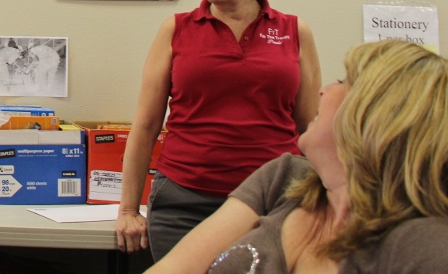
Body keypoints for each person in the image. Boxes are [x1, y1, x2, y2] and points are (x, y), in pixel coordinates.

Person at [115, 0, 321, 260]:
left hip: (274, 204)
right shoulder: (176, 29)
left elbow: (309, 128)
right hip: (184, 202)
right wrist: (127, 210)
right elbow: (146, 125)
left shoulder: (295, 31)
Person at [147, 39, 448, 274]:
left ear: (377, 115)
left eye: (344, 83)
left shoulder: (421, 243)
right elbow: (176, 266)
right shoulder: (284, 177)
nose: (324, 90)